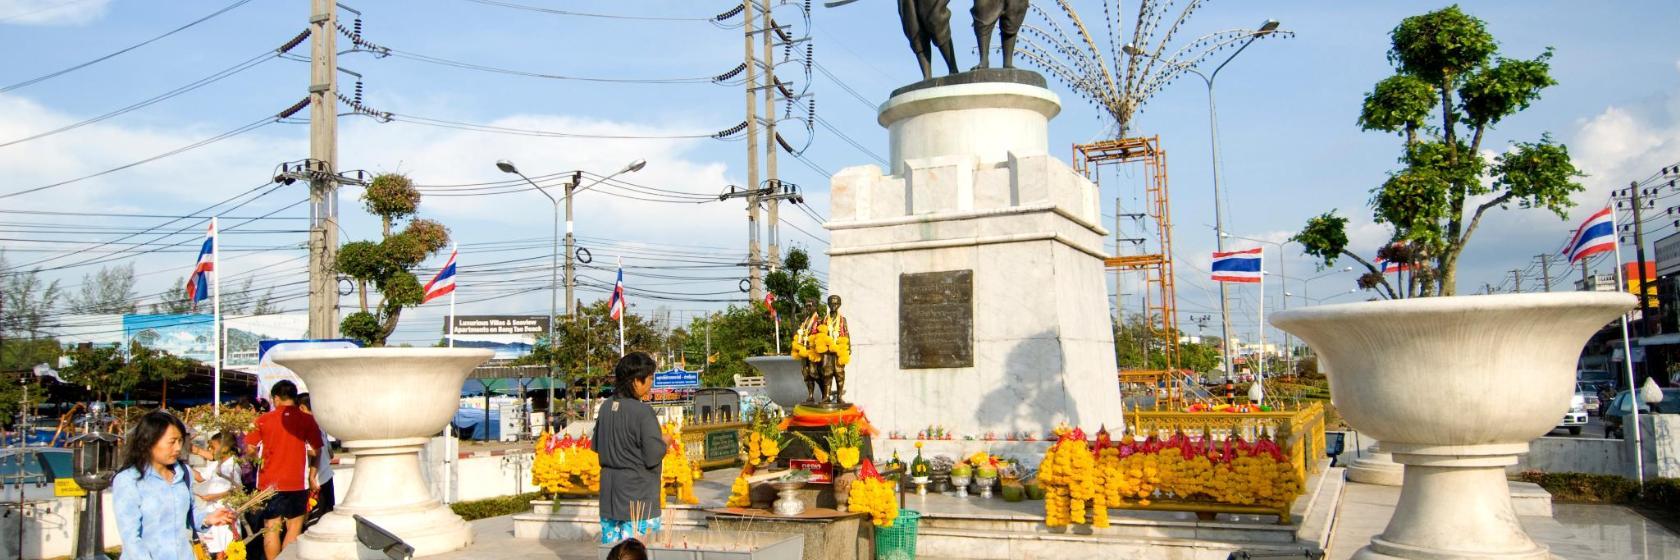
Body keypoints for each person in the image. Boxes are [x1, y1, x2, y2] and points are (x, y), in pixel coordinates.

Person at [113, 411, 235, 560]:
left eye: (180, 441)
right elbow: (131, 539)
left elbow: (190, 514)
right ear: (149, 441)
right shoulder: (129, 480)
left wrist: (208, 518)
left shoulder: (184, 473)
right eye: (172, 442)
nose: (178, 448)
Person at [592, 352, 669, 544]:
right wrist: (665, 442)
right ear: (636, 381)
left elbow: (597, 446)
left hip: (610, 494)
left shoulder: (605, 407)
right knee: (639, 550)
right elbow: (653, 455)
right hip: (638, 497)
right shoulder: (643, 412)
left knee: (614, 551)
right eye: (650, 378)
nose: (651, 383)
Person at [246, 381, 323, 560]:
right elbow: (315, 450)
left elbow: (250, 449)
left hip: (269, 482)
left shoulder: (263, 420)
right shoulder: (307, 419)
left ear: (276, 398)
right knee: (294, 527)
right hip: (297, 481)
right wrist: (311, 473)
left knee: (271, 527)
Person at [189, 431, 244, 556]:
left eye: (213, 447)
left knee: (226, 549)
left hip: (225, 511)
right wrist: (185, 466)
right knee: (215, 548)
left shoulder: (232, 465)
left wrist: (213, 496)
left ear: (224, 448)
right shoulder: (216, 464)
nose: (210, 450)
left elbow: (237, 489)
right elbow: (200, 477)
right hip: (214, 512)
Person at [297, 393, 336, 526]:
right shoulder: (320, 422)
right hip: (326, 474)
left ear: (301, 407)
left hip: (315, 479)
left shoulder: (307, 425)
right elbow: (330, 452)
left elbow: (315, 452)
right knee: (327, 516)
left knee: (315, 521)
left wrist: (312, 477)